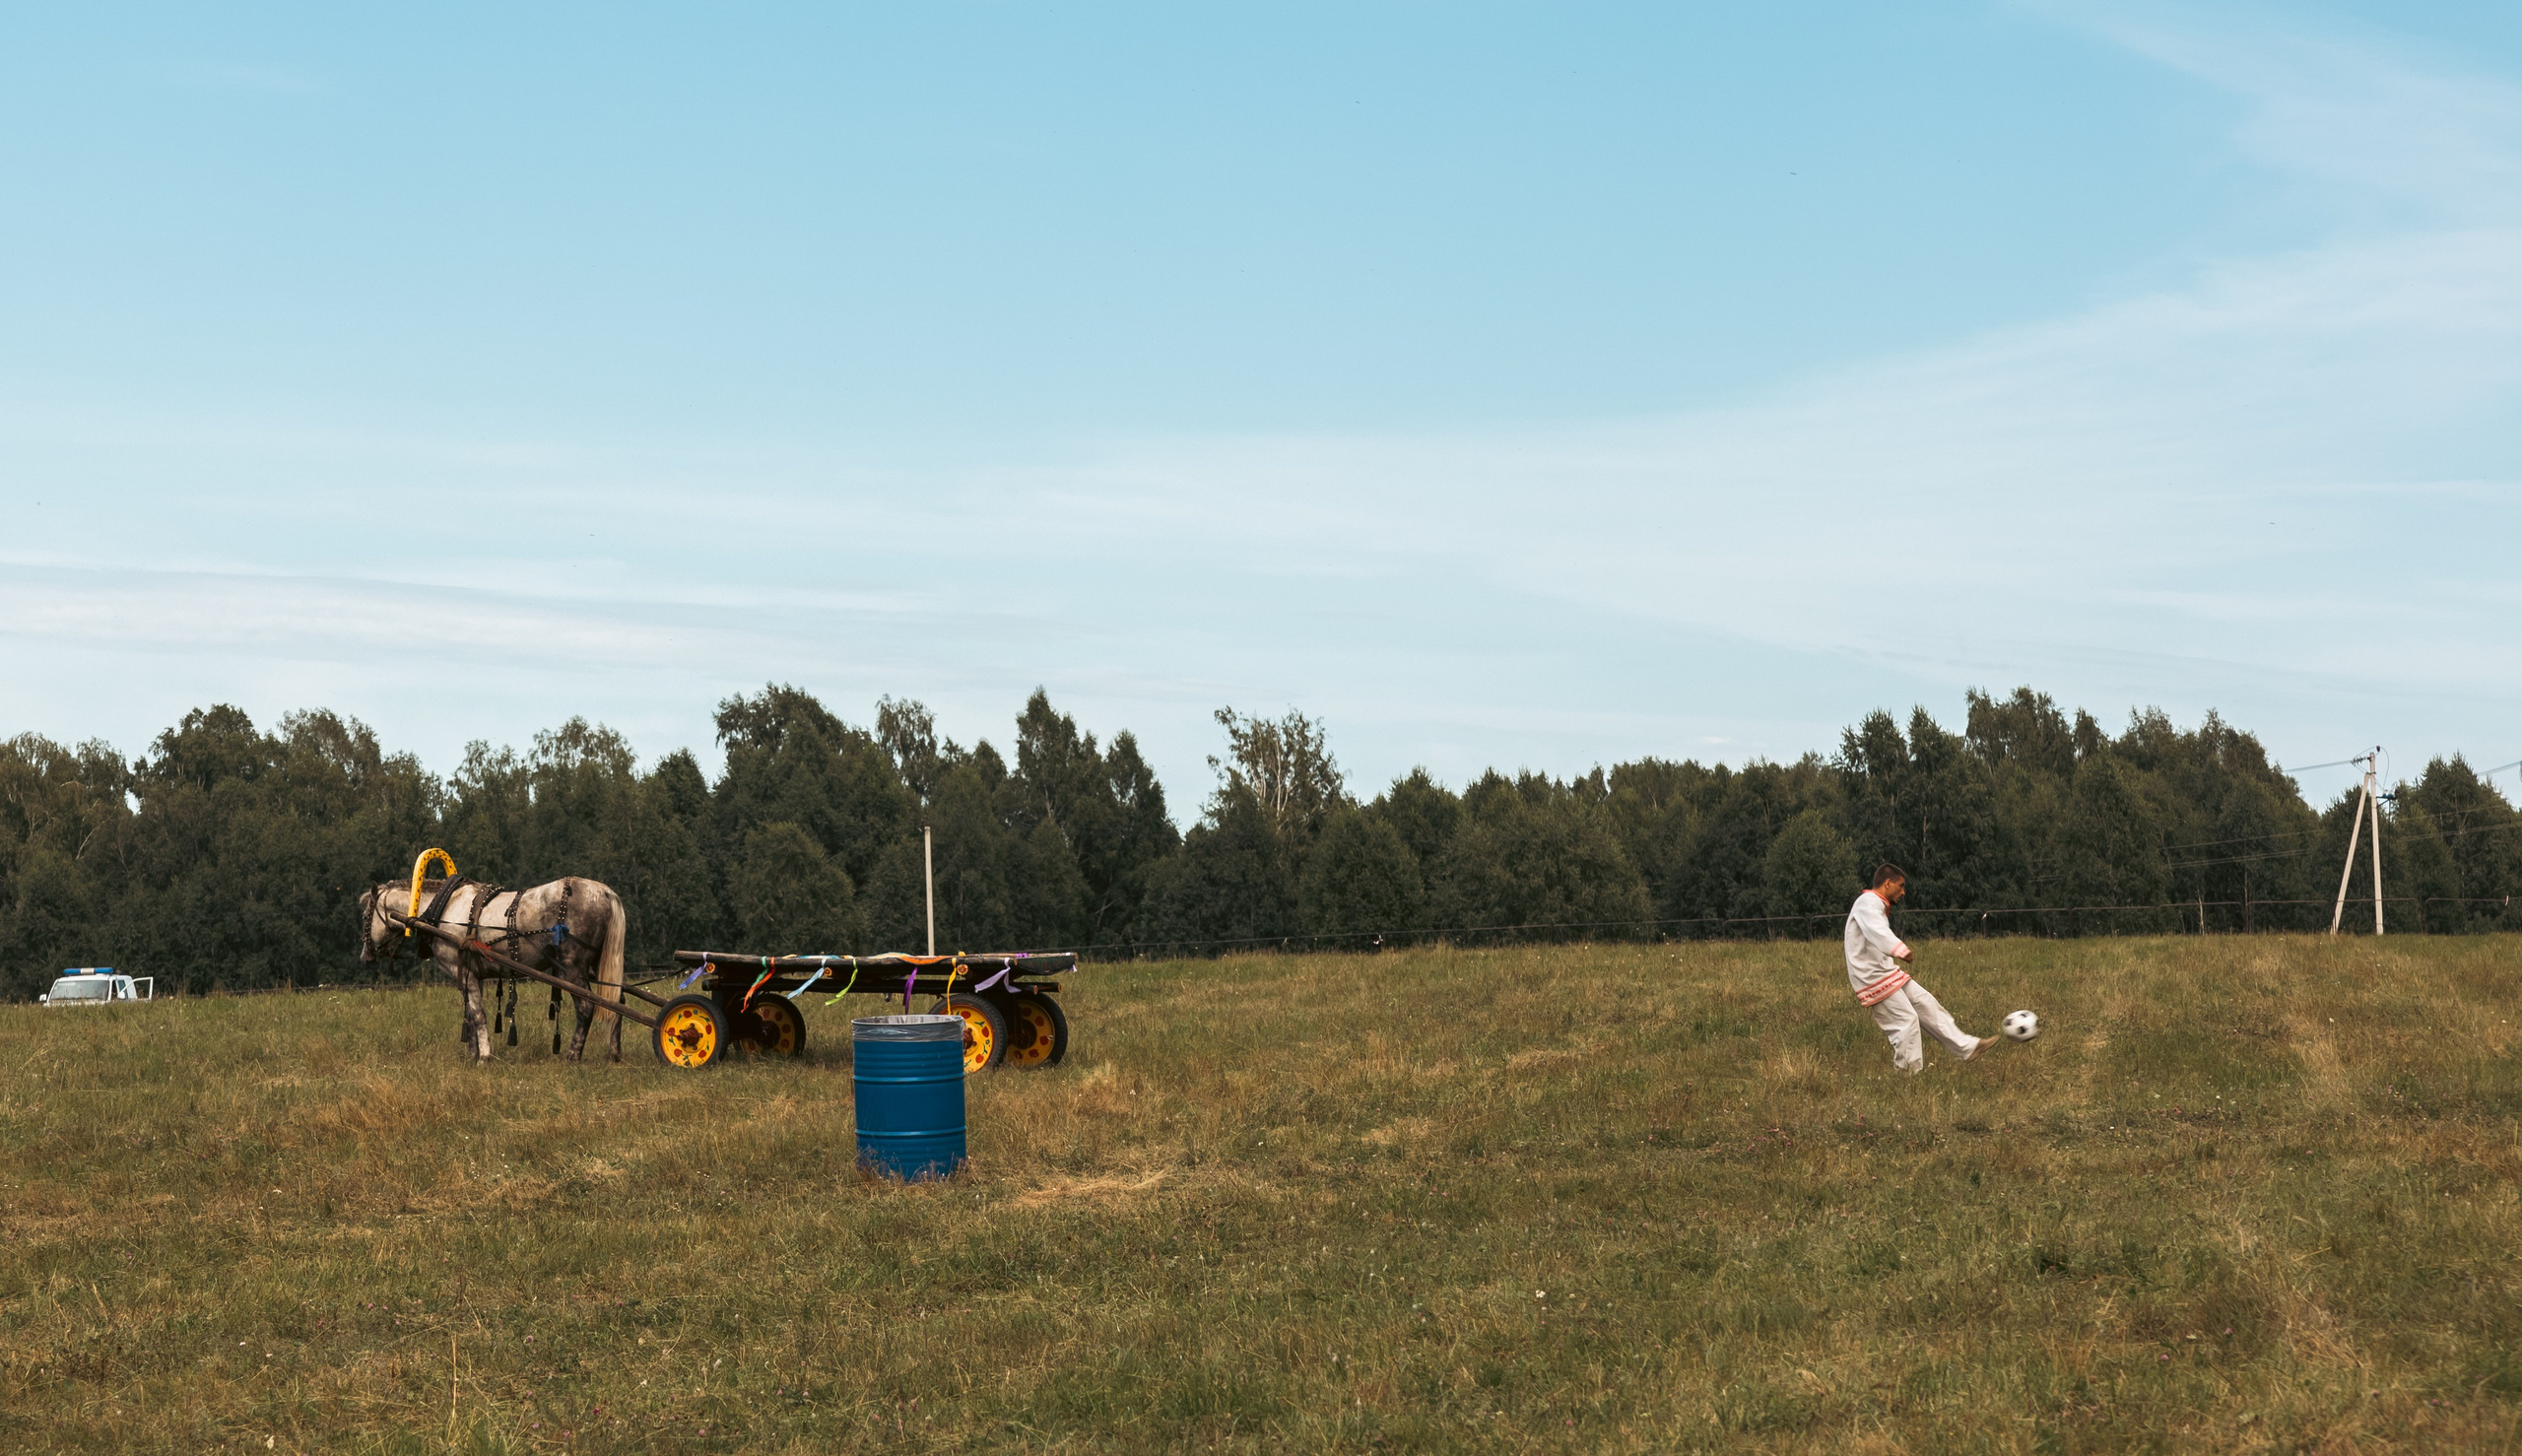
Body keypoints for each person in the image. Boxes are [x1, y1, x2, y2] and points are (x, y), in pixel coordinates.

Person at [1844, 863, 1990, 1072]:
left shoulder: (1874, 903)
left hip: (1885, 972)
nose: (1903, 892)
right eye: (1901, 885)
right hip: (1871, 977)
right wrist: (1899, 949)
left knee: (1925, 1003)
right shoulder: (1868, 902)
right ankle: (1907, 1075)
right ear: (1887, 883)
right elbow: (1876, 930)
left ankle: (1967, 1047)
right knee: (1906, 1021)